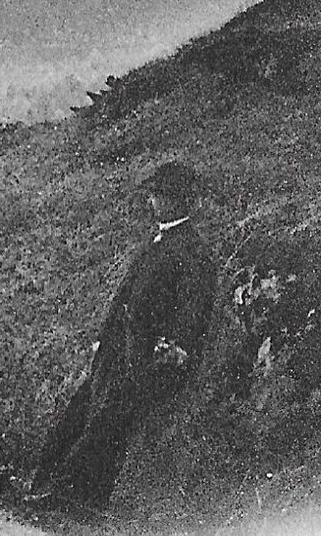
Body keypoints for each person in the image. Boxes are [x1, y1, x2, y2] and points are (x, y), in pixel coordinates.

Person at [31, 161, 218, 509]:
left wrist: (176, 347)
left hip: (148, 360)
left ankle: (65, 497)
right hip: (120, 352)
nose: (153, 202)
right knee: (79, 412)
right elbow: (124, 297)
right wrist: (103, 338)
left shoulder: (193, 251)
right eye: (153, 196)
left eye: (160, 196)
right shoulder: (157, 242)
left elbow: (195, 308)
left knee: (106, 422)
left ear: (179, 201)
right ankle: (42, 484)